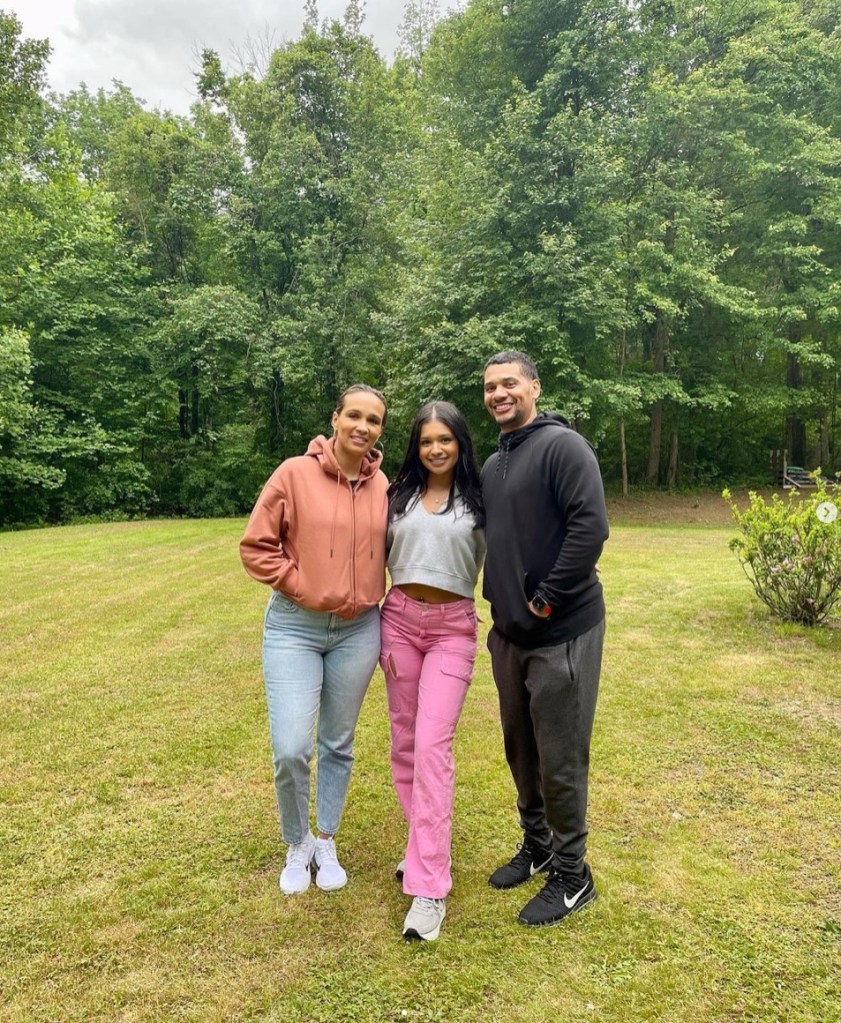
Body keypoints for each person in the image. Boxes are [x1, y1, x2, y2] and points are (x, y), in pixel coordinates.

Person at [239, 384, 389, 896]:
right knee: (290, 747)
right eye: (354, 415)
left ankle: (325, 838)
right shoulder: (293, 473)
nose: (362, 427)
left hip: (359, 630)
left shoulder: (383, 485)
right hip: (294, 628)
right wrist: (303, 586)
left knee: (338, 742)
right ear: (336, 418)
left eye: (373, 420)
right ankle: (296, 841)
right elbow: (256, 547)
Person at [481, 351, 609, 927]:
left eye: (510, 383)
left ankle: (572, 874)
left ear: (534, 386)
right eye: (490, 387)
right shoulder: (492, 464)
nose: (499, 394)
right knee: (520, 749)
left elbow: (591, 527)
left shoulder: (564, 447)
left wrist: (546, 597)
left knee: (559, 756)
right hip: (509, 635)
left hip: (561, 631)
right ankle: (536, 847)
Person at [380, 401, 485, 941]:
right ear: (415, 447)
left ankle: (429, 888)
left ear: (460, 443)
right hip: (397, 623)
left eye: (445, 439)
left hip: (452, 629)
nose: (436, 448)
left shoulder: (481, 498)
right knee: (403, 744)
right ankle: (420, 850)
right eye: (426, 441)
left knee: (431, 747)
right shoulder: (395, 493)